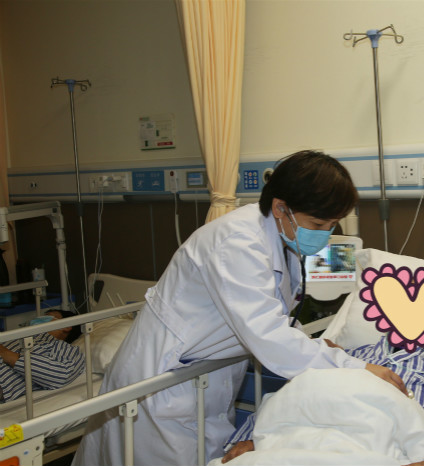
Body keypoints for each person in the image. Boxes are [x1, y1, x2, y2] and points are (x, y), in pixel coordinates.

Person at [72, 150, 406, 466]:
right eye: (318, 225)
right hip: (163, 381)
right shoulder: (235, 242)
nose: (325, 234)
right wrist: (354, 368)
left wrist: (316, 347)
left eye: (333, 225)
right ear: (280, 207)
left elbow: (270, 314)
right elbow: (268, 334)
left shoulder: (280, 236)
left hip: (203, 376)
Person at [222, 337, 424, 466]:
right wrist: (249, 438)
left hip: (380, 451)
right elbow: (296, 397)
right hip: (293, 448)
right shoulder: (345, 355)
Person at [0, 310, 84, 402]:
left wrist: (6, 354)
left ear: (66, 326)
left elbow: (61, 375)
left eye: (48, 316)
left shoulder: (64, 348)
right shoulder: (17, 337)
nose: (38, 319)